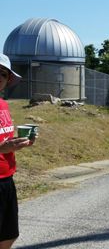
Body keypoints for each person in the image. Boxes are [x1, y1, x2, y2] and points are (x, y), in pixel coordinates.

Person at [0, 53, 36, 249]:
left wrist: (18, 143)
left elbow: (3, 140)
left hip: (7, 178)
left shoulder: (3, 105)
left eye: (3, 74)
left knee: (9, 235)